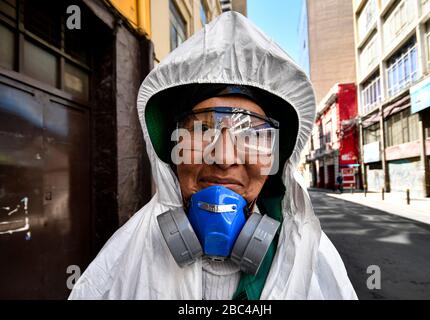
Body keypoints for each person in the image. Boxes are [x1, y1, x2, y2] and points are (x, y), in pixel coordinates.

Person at [69, 11, 357, 300]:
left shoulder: (311, 262)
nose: (224, 157)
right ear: (171, 152)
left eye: (252, 135)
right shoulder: (124, 258)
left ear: (275, 159)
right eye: (202, 130)